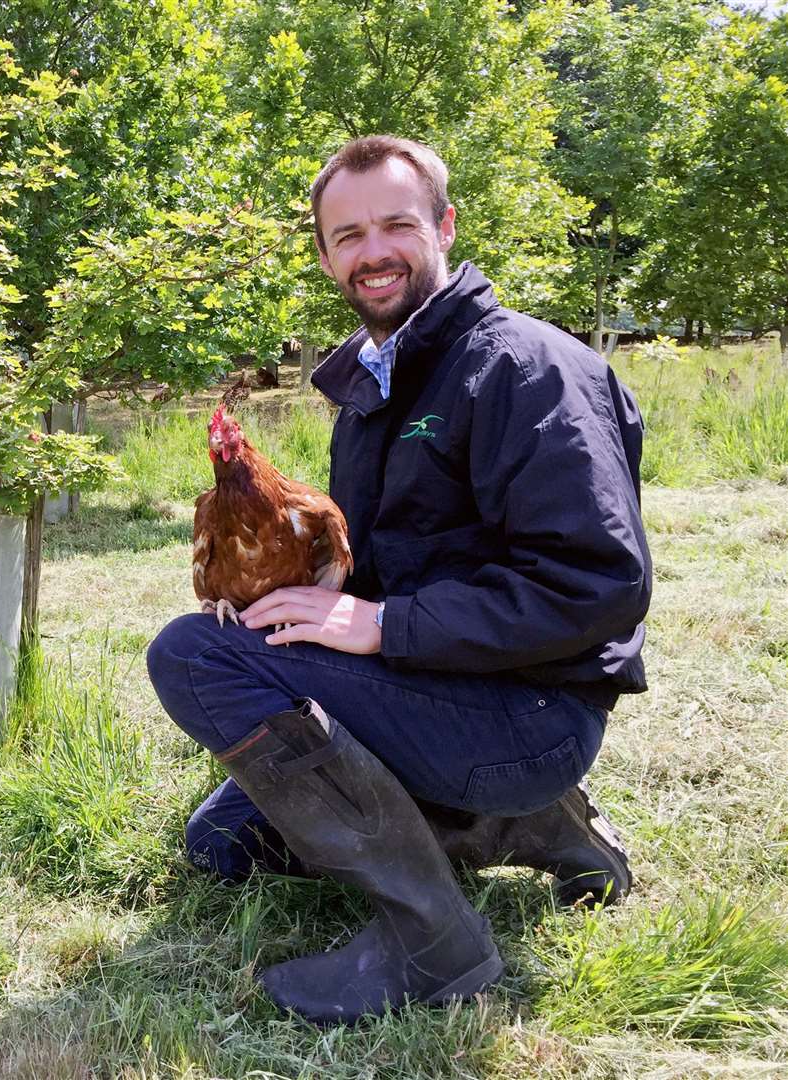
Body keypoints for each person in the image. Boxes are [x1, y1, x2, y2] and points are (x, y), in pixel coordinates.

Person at [146, 135, 652, 1025]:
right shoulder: (376, 385)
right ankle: (530, 827)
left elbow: (595, 584)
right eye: (346, 235)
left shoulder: (524, 371)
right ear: (325, 254)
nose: (371, 251)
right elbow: (384, 560)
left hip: (527, 710)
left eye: (395, 224)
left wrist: (384, 627)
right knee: (224, 841)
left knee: (193, 657)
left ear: (445, 227)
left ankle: (436, 944)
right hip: (439, 686)